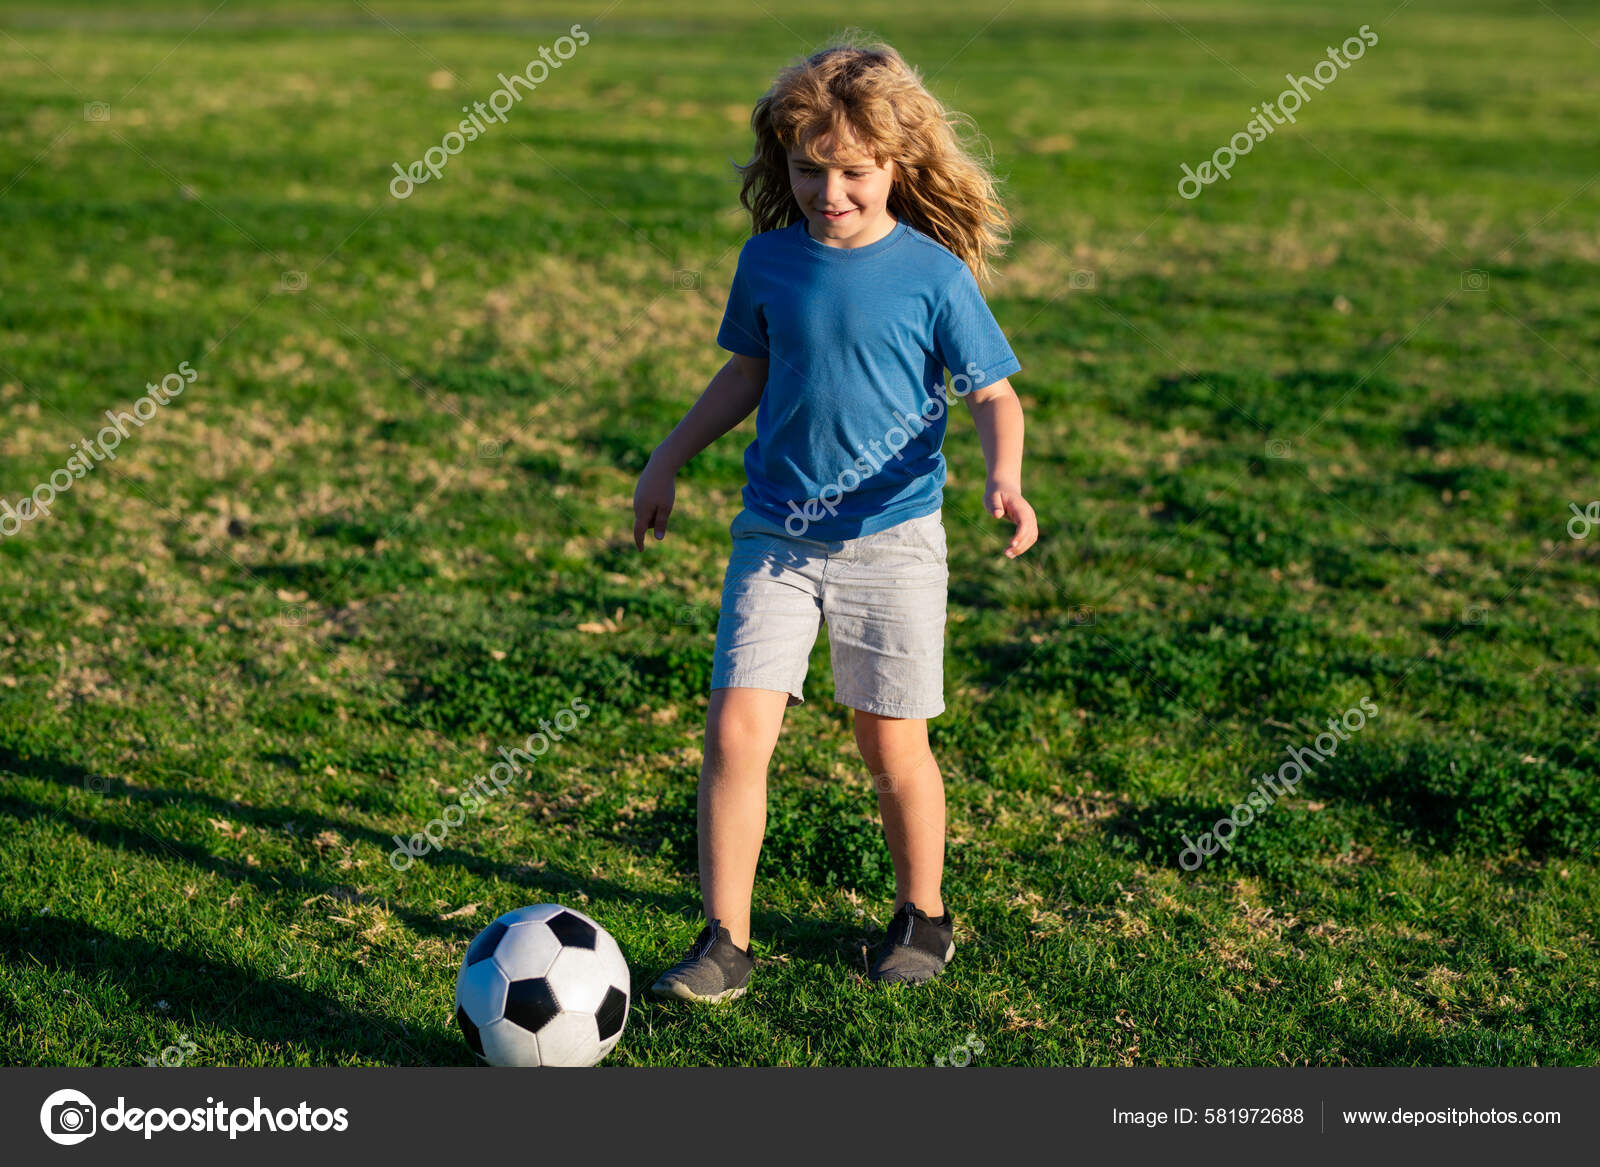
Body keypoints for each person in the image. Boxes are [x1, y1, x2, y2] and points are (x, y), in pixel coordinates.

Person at [632, 37, 1036, 1004]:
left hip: (893, 540)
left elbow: (994, 395)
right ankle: (724, 941)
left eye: (854, 171)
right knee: (735, 731)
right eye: (809, 170)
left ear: (898, 165)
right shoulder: (767, 262)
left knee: (889, 742)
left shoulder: (934, 274)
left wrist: (1005, 478)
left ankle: (923, 913)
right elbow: (748, 372)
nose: (831, 192)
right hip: (775, 534)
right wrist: (667, 456)